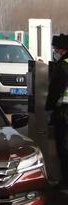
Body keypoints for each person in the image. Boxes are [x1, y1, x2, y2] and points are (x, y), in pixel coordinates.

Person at [46, 33, 68, 192]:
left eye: (55, 48)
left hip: (65, 114)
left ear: (61, 49)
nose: (55, 51)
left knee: (64, 148)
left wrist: (49, 108)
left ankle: (65, 183)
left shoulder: (63, 66)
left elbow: (54, 91)